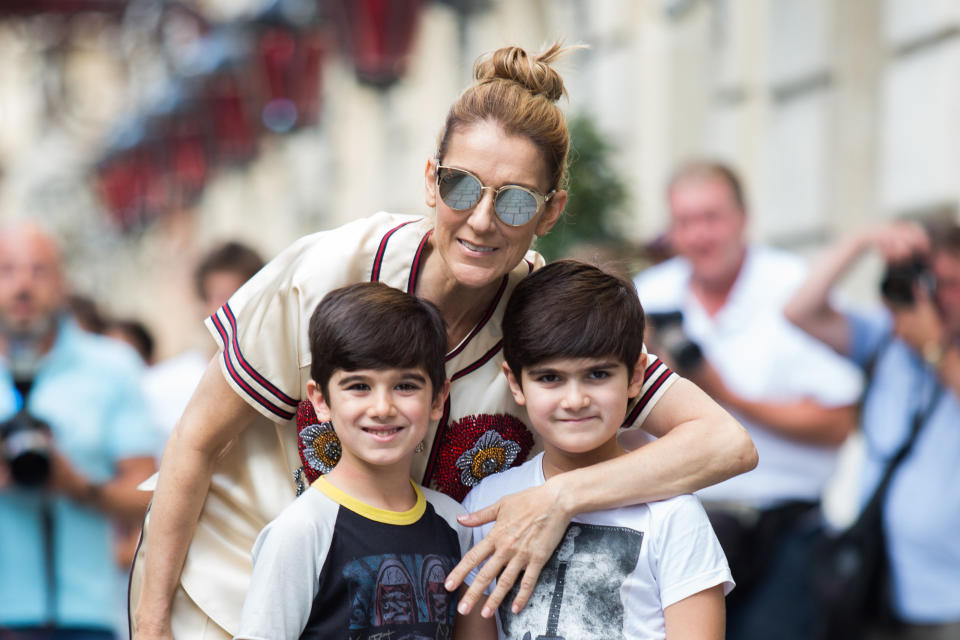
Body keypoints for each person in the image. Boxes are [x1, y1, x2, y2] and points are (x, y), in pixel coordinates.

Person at [131, 44, 757, 640]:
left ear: (551, 211)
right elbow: (195, 441)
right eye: (462, 186)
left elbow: (724, 443)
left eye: (516, 202)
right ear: (431, 180)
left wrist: (559, 496)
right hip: (232, 593)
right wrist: (151, 626)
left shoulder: (546, 321)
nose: (482, 219)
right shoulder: (329, 271)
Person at [633, 160, 864, 640]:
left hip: (783, 534)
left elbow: (838, 423)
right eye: (685, 222)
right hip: (672, 531)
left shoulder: (793, 287)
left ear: (743, 218)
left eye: (711, 217)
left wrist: (723, 392)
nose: (699, 235)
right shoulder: (646, 296)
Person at [464, 260, 733, 639]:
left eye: (597, 374)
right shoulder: (487, 503)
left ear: (636, 375)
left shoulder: (673, 515)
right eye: (550, 378)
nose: (574, 400)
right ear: (516, 382)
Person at [234, 282, 494, 639]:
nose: (382, 408)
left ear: (438, 399)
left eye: (405, 386)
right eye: (359, 386)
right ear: (321, 400)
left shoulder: (456, 524)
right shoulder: (302, 532)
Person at [785, 220, 960, 639]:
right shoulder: (886, 340)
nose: (938, 297)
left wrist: (934, 347)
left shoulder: (930, 345)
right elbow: (799, 311)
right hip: (877, 582)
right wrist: (861, 239)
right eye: (930, 282)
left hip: (949, 598)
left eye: (952, 283)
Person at [0, 223, 156, 639]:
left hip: (88, 616)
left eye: (39, 270)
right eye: (8, 270)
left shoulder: (112, 367)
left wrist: (78, 485)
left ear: (63, 281)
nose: (22, 286)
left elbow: (150, 494)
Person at [141, 241, 265, 449]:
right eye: (219, 297)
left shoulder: (285, 383)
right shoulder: (160, 386)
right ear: (202, 304)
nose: (228, 308)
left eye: (238, 295)